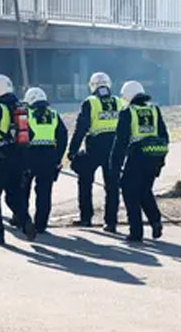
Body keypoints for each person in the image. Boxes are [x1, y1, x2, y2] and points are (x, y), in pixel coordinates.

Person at [0, 74, 35, 245]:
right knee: (13, 195)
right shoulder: (20, 107)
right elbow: (29, 133)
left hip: (1, 158)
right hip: (19, 157)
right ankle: (25, 222)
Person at [110, 80, 169, 243]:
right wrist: (160, 158)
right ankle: (155, 220)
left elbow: (120, 142)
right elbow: (165, 136)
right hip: (154, 157)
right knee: (145, 190)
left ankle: (136, 232)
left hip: (136, 157)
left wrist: (115, 166)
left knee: (130, 192)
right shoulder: (154, 110)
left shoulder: (127, 112)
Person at [67, 72, 123, 232]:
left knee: (85, 181)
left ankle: (86, 218)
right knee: (112, 186)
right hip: (114, 147)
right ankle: (111, 223)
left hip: (95, 147)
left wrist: (72, 151)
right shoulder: (119, 102)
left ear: (92, 86)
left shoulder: (90, 102)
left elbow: (81, 129)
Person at [22, 87, 68, 234]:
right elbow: (63, 136)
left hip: (30, 155)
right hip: (49, 155)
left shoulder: (26, 114)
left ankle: (22, 219)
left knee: (23, 189)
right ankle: (41, 224)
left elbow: (21, 136)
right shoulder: (54, 114)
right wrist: (57, 157)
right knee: (44, 192)